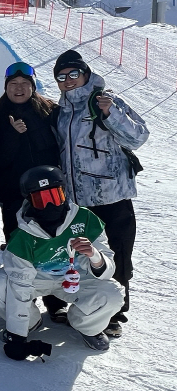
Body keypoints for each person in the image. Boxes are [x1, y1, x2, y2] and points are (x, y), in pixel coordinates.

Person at [52, 50, 149, 337]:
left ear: (85, 74)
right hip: (77, 201)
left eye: (73, 74)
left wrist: (112, 114)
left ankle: (115, 313)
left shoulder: (106, 100)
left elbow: (139, 136)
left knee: (117, 253)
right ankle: (85, 305)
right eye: (61, 76)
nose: (68, 80)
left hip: (112, 197)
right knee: (81, 255)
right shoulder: (62, 110)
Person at [0, 165, 124, 359]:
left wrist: (94, 255)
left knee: (113, 293)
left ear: (64, 192)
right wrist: (18, 335)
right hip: (37, 278)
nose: (50, 206)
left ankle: (87, 326)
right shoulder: (23, 234)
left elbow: (108, 270)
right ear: (30, 201)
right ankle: (30, 323)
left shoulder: (85, 219)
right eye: (41, 200)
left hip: (76, 278)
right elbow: (19, 283)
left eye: (54, 197)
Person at [0, 63, 66, 322]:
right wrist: (12, 135)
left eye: (25, 84)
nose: (19, 89)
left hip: (50, 192)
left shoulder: (50, 111)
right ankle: (25, 298)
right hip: (15, 193)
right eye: (13, 84)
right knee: (19, 244)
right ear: (6, 87)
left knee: (53, 242)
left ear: (33, 87)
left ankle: (56, 300)